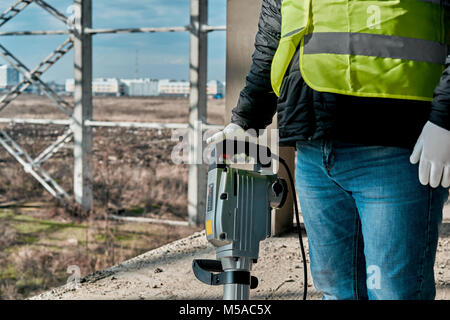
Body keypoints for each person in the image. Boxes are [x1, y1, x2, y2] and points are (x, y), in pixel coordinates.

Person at [207, 0, 450, 300]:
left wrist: (445, 117)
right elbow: (274, 32)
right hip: (313, 146)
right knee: (336, 292)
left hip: (396, 144)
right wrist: (247, 118)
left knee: (395, 294)